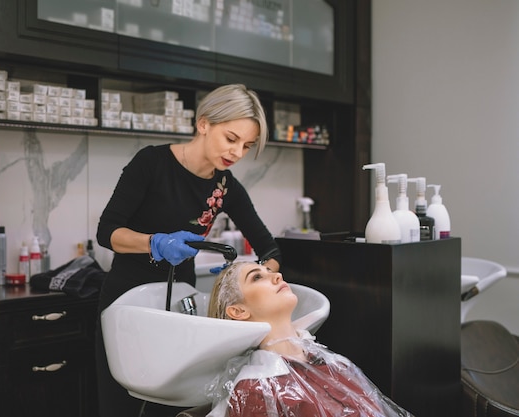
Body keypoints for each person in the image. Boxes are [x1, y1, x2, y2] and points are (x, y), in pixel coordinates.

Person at [95, 84, 282, 417]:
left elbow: (269, 247)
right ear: (204, 124)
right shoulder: (151, 163)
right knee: (122, 404)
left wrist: (249, 275)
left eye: (247, 146)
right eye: (231, 138)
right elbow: (107, 232)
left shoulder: (225, 187)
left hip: (180, 306)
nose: (238, 153)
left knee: (169, 405)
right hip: (128, 304)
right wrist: (155, 242)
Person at [205, 262, 414, 417]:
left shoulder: (334, 365)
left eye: (270, 271)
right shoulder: (256, 390)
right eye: (256, 277)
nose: (277, 275)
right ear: (238, 311)